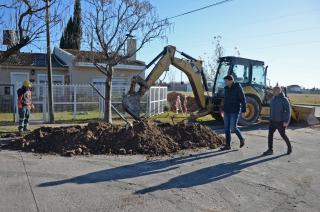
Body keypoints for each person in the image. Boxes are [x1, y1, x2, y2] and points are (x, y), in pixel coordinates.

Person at [263, 86, 292, 155]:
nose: (272, 92)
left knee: (283, 135)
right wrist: (270, 118)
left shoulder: (284, 99)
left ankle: (289, 148)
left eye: (274, 91)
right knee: (270, 135)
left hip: (280, 122)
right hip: (272, 121)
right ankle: (270, 150)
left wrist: (286, 121)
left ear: (279, 91)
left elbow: (288, 111)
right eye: (272, 91)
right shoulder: (273, 98)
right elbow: (271, 109)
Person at [220, 75, 247, 151]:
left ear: (231, 80)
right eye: (224, 81)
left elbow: (243, 99)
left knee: (233, 127)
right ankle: (227, 145)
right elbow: (225, 100)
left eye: (226, 81)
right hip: (226, 110)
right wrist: (222, 109)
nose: (225, 82)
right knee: (226, 128)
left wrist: (243, 111)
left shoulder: (238, 87)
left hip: (235, 110)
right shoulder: (226, 89)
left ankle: (241, 139)